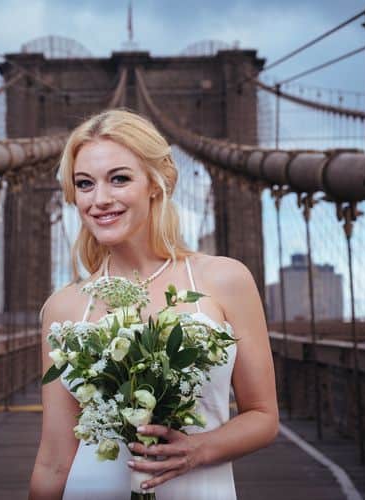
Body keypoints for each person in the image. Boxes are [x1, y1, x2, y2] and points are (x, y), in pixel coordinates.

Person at [28, 109, 278, 500]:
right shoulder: (63, 308)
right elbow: (55, 459)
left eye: (119, 179)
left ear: (156, 184)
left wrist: (198, 450)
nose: (100, 200)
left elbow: (263, 417)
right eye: (84, 184)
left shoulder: (225, 280)